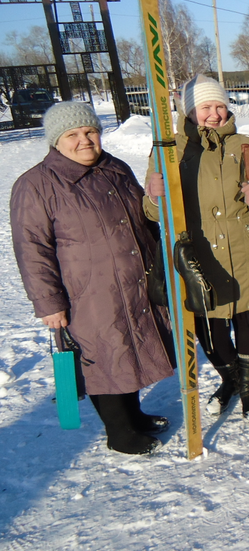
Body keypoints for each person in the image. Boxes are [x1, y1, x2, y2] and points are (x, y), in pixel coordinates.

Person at [11, 102, 174, 455]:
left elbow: (143, 220)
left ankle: (135, 415)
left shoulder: (115, 167)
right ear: (56, 141)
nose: (84, 140)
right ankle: (119, 434)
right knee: (103, 358)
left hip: (133, 282)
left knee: (127, 349)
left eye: (90, 132)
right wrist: (49, 304)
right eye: (73, 135)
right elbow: (32, 250)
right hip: (86, 293)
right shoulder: (35, 185)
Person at [145, 75, 249, 418]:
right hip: (200, 254)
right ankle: (231, 379)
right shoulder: (170, 150)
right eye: (206, 107)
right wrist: (154, 196)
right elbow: (153, 212)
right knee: (211, 332)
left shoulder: (245, 145)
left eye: (220, 105)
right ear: (189, 111)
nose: (215, 114)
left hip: (245, 248)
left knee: (248, 325)